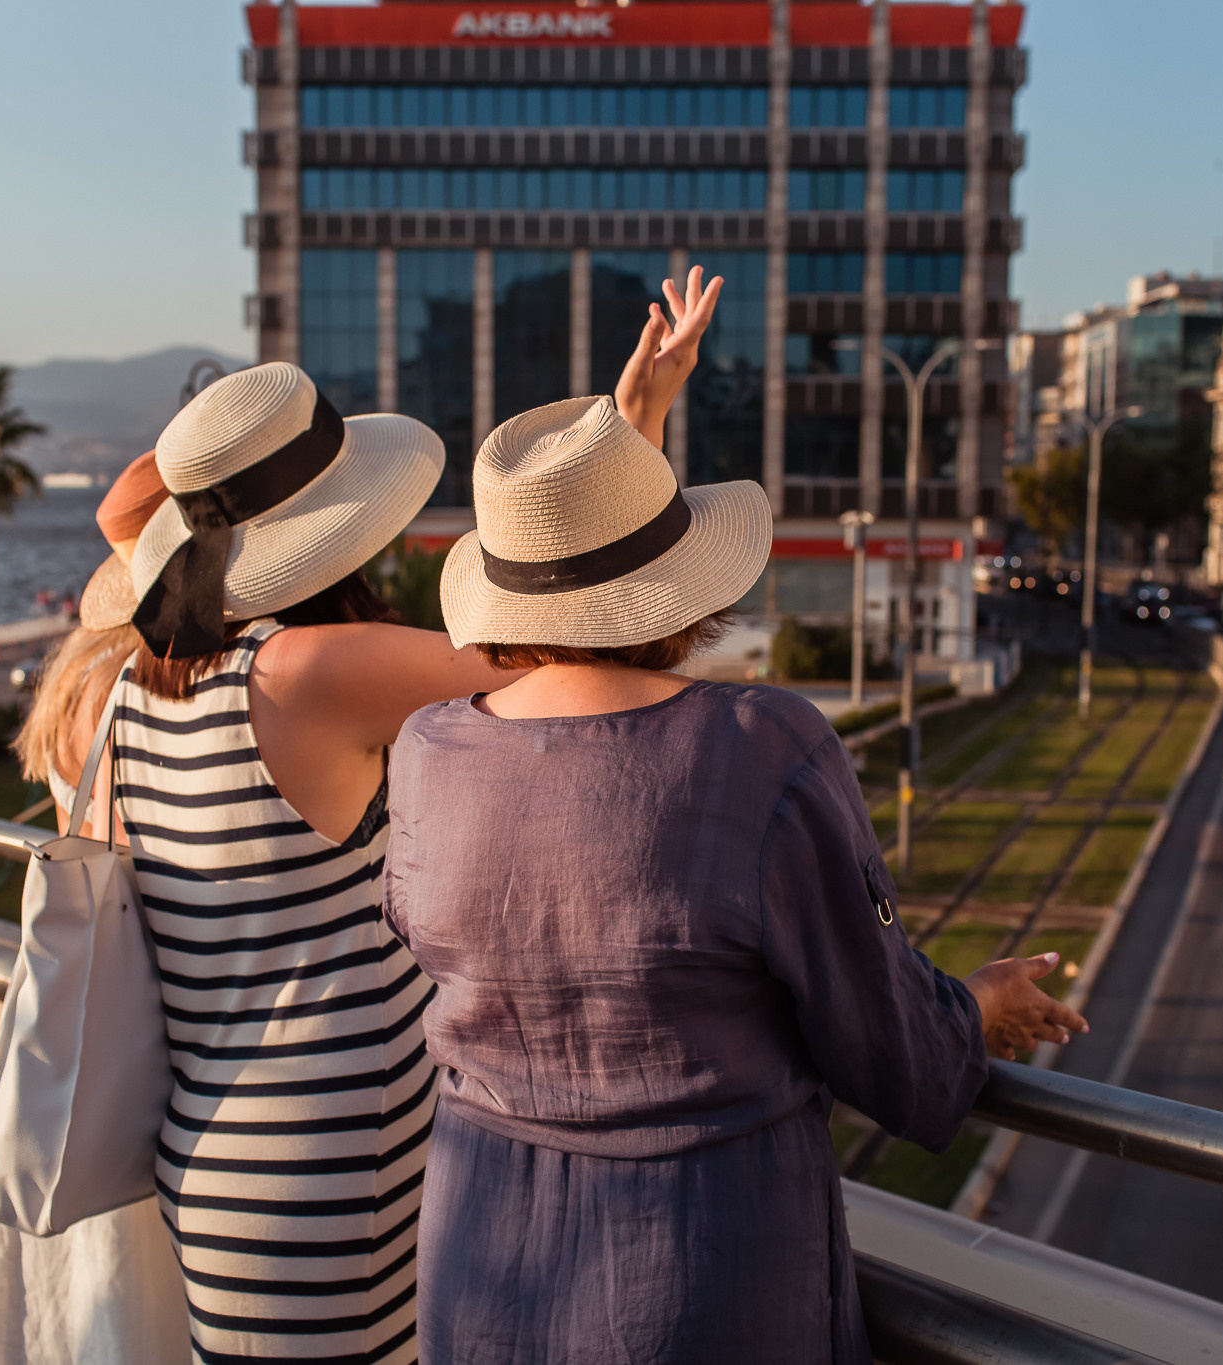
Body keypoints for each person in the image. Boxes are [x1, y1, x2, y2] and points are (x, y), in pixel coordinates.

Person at [382, 268, 1087, 1364]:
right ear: (680, 586)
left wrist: (630, 433)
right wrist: (975, 1010)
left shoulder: (429, 752)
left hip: (479, 1266)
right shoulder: (761, 748)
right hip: (699, 1275)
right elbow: (885, 1042)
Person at [106, 321, 704, 1361]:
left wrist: (633, 429)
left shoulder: (138, 690)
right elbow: (559, 660)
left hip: (220, 1155)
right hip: (330, 1168)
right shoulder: (303, 672)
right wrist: (628, 443)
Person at [0, 452, 190, 1365]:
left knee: (84, 1305)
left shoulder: (79, 672)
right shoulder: (142, 684)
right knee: (139, 1292)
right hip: (152, 1027)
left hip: (80, 1014)